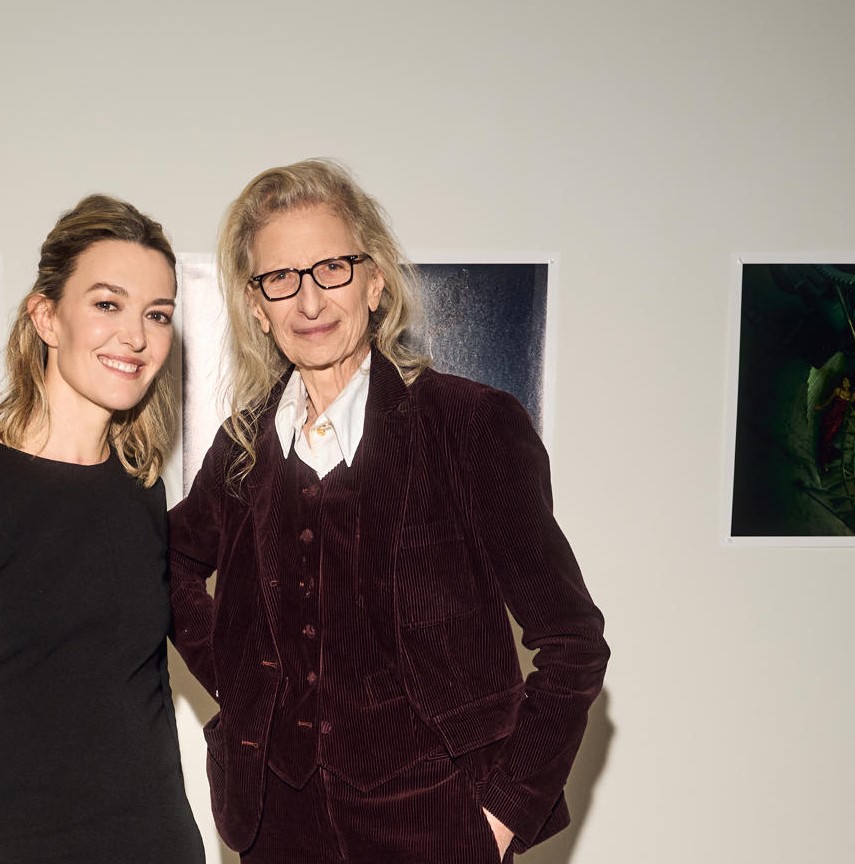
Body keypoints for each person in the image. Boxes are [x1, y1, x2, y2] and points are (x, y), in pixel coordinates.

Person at [170, 159, 608, 863]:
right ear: (257, 306)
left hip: (434, 828)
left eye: (332, 269)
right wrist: (237, 668)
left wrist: (497, 818)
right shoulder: (241, 448)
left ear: (375, 282)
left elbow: (574, 644)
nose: (309, 303)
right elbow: (168, 563)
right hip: (275, 829)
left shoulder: (470, 426)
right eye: (281, 279)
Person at [0, 195, 204, 864]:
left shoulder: (142, 490)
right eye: (106, 304)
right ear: (46, 317)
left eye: (157, 315)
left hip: (159, 846)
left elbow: (144, 696)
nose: (136, 336)